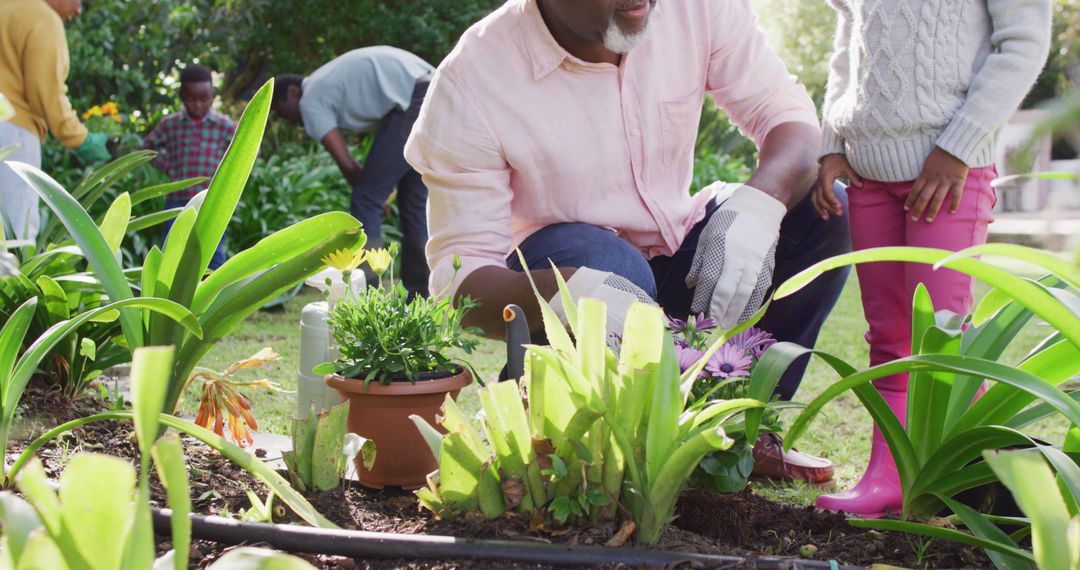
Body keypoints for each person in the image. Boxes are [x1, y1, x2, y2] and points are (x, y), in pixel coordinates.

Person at [406, 0, 853, 484]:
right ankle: (578, 444)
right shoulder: (474, 80)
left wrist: (760, 206)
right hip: (570, 272)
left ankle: (733, 426)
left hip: (678, 258)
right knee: (606, 259)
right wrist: (570, 293)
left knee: (821, 208)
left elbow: (786, 116)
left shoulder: (694, 9)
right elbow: (461, 284)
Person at [812, 0, 1051, 517]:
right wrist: (833, 139)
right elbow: (847, 43)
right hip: (867, 172)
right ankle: (890, 471)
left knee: (943, 334)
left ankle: (995, 480)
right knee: (889, 335)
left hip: (950, 172)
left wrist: (960, 145)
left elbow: (1023, 43)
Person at [271, 47, 435, 297]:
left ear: (293, 92)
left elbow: (347, 165)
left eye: (284, 112)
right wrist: (377, 192)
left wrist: (374, 195)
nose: (290, 121)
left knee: (365, 200)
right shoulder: (325, 82)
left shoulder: (310, 99)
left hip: (411, 101)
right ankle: (420, 297)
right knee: (411, 203)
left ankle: (369, 293)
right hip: (432, 93)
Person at [0, 0, 110, 242]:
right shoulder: (41, 17)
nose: (79, 10)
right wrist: (82, 138)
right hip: (12, 133)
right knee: (14, 232)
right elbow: (46, 93)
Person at [145, 63, 236, 269]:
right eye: (191, 99)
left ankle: (215, 295)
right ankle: (167, 297)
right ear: (181, 96)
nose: (197, 105)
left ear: (212, 96)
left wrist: (227, 173)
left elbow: (248, 149)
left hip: (211, 201)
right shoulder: (170, 125)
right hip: (177, 200)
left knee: (213, 250)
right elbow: (148, 147)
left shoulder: (223, 126)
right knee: (171, 251)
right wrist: (168, 166)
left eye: (204, 99)